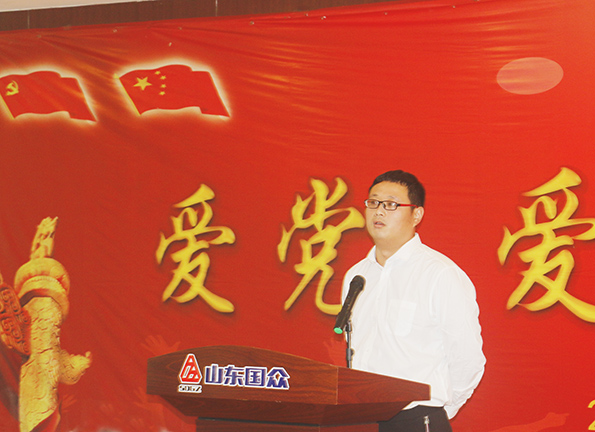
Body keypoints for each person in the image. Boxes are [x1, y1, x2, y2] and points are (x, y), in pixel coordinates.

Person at [341, 170, 485, 432]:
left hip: (418, 419)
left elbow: (467, 358)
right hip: (364, 418)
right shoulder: (356, 276)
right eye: (373, 202)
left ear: (416, 214)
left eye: (391, 204)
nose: (379, 211)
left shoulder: (439, 273)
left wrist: (436, 410)